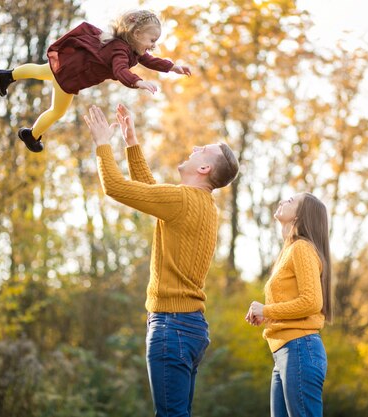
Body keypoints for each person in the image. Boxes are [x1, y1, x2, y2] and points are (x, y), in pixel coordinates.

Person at [84, 103, 239, 417]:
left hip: (172, 327)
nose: (195, 147)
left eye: (203, 150)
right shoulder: (202, 205)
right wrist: (131, 142)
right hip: (189, 327)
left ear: (205, 169)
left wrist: (103, 142)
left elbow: (114, 187)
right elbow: (152, 193)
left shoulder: (183, 201)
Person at [0, 10, 191, 153]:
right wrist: (137, 82)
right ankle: (31, 135)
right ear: (137, 34)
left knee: (42, 70)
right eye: (152, 40)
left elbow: (151, 60)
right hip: (71, 75)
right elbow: (120, 70)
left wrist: (172, 67)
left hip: (70, 66)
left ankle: (7, 75)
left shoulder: (132, 50)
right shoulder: (120, 51)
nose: (153, 45)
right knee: (57, 111)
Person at [245, 192, 333, 417]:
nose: (284, 200)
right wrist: (268, 316)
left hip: (299, 349)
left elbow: (312, 301)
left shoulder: (301, 247)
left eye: (292, 201)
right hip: (285, 352)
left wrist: (266, 310)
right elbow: (298, 301)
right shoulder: (289, 250)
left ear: (301, 216)